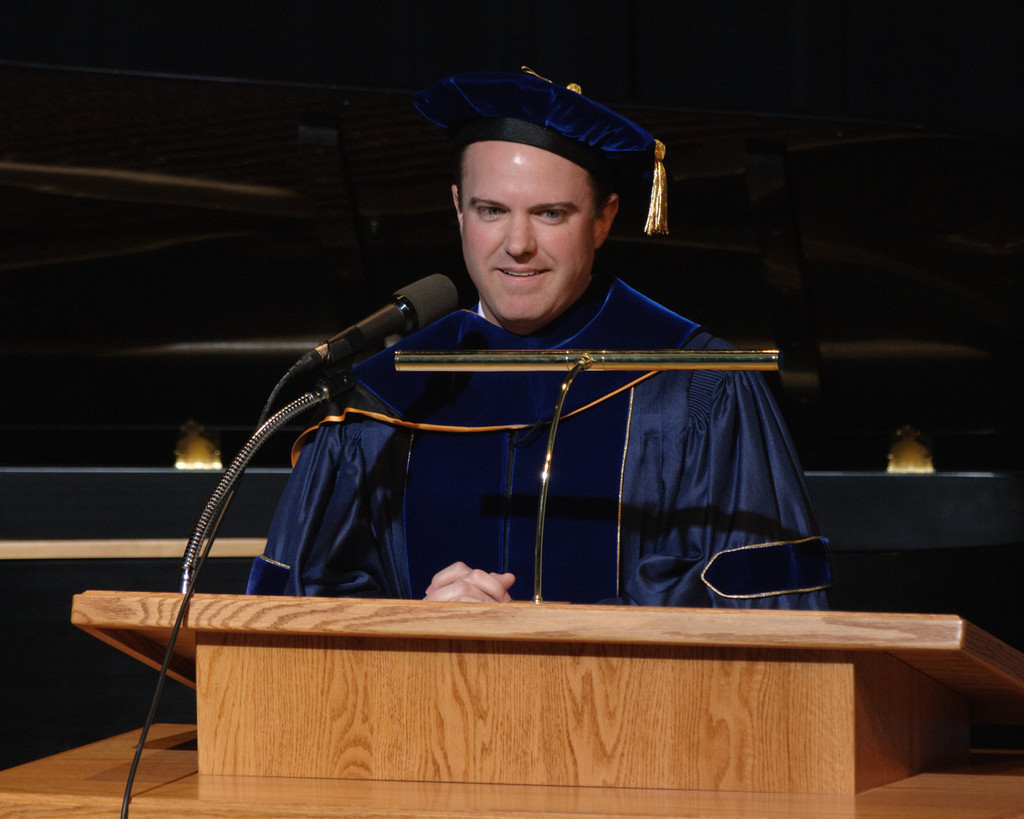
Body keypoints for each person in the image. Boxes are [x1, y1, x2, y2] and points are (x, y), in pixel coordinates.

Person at [247, 69, 832, 608]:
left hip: (629, 719)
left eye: (551, 214)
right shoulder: (381, 402)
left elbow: (760, 607)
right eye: (490, 210)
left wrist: (550, 644)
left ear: (603, 219)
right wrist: (417, 625)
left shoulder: (697, 389)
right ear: (457, 209)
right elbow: (301, 606)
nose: (517, 244)